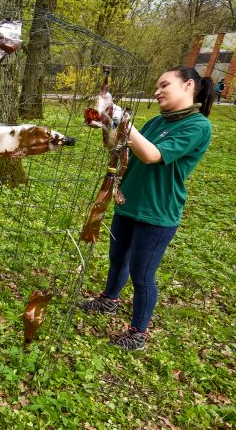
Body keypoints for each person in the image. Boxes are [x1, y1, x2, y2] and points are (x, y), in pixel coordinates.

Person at [79, 66, 214, 350]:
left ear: (188, 85)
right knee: (118, 258)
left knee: (142, 273)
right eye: (156, 87)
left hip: (158, 213)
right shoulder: (156, 121)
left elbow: (152, 155)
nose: (157, 91)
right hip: (129, 202)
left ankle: (138, 333)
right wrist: (107, 123)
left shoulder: (198, 126)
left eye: (164, 84)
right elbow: (126, 147)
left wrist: (123, 120)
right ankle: (109, 300)